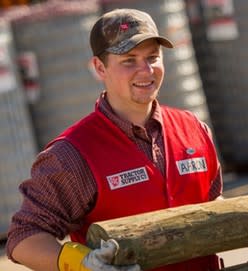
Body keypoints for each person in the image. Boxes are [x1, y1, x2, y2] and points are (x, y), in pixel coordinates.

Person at [7, 8, 223, 271]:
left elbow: (214, 203)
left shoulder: (194, 128)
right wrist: (84, 264)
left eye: (153, 57)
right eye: (129, 60)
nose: (146, 70)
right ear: (99, 67)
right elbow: (23, 238)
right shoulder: (73, 153)